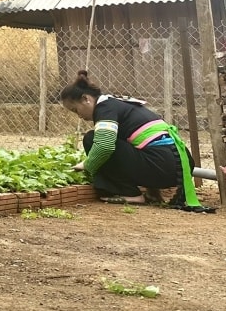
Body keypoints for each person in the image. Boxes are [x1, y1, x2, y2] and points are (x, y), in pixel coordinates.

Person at [59, 70, 202, 208]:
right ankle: (152, 193)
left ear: (85, 99)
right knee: (128, 143)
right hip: (181, 166)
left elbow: (105, 146)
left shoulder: (105, 109)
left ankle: (128, 193)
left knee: (92, 139)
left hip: (162, 167)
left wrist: (87, 164)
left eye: (75, 110)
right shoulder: (120, 104)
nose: (78, 116)